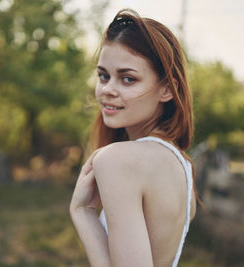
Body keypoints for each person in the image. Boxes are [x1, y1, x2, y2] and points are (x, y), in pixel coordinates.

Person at [69, 9, 199, 267]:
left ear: (166, 89)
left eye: (128, 79)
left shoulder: (118, 160)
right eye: (104, 76)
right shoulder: (183, 167)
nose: (107, 90)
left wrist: (82, 213)